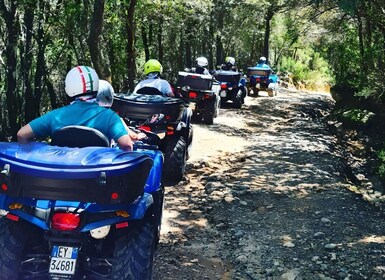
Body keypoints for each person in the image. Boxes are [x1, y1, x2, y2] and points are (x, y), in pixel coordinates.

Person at [17, 66, 142, 151]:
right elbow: (126, 145)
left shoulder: (55, 116)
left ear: (69, 88)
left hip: (61, 181)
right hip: (98, 184)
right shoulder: (110, 117)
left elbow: (22, 135)